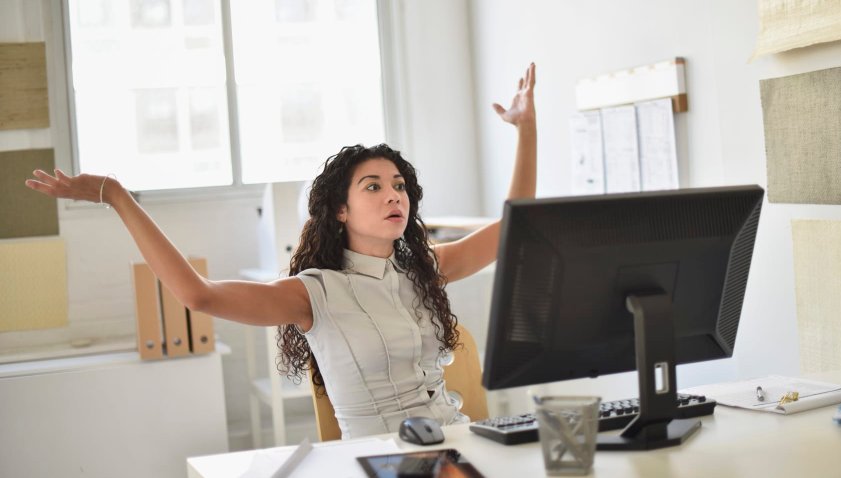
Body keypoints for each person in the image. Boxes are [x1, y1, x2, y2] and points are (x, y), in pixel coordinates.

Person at [25, 63, 538, 439]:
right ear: (340, 210)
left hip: (455, 446)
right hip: (382, 461)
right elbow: (198, 295)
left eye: (399, 185)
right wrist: (117, 196)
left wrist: (525, 129)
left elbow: (514, 226)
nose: (394, 196)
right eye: (374, 186)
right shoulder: (314, 293)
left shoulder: (423, 268)